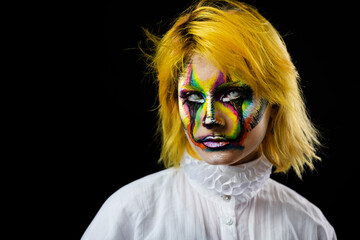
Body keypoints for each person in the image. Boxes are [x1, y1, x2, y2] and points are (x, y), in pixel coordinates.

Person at [82, 0, 336, 239]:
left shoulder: (308, 225)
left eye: (233, 93)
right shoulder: (129, 213)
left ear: (276, 101)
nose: (209, 118)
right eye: (192, 97)